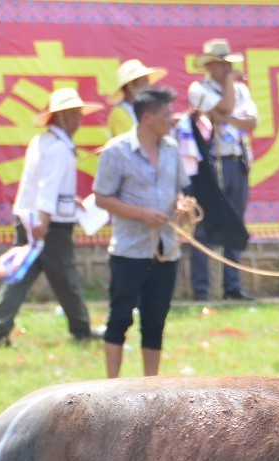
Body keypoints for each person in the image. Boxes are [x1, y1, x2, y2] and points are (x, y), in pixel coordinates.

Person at [0, 87, 101, 346]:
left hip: (34, 217)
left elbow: (44, 183)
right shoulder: (59, 148)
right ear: (59, 118)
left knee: (22, 274)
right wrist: (44, 221)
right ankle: (81, 329)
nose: (78, 120)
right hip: (49, 224)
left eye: (78, 114)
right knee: (66, 277)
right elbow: (47, 187)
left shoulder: (43, 142)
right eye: (72, 115)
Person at [93, 87, 187, 378]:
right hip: (129, 250)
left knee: (156, 319)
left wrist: (183, 204)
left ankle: (151, 386)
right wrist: (142, 214)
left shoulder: (172, 149)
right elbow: (101, 197)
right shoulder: (116, 151)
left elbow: (180, 188)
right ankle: (111, 384)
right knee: (120, 317)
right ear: (147, 118)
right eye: (166, 115)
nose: (172, 120)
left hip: (166, 248)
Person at [186, 38, 258, 301]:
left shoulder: (241, 90)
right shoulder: (198, 89)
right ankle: (202, 289)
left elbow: (251, 122)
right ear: (210, 66)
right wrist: (228, 106)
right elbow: (225, 109)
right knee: (205, 223)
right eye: (221, 65)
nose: (226, 69)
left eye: (228, 64)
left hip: (236, 161)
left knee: (234, 221)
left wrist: (226, 118)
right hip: (211, 162)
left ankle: (232, 286)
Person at [106, 58, 167, 139]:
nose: (148, 85)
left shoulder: (145, 109)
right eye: (144, 81)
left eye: (147, 81)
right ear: (130, 85)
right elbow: (128, 144)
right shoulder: (120, 112)